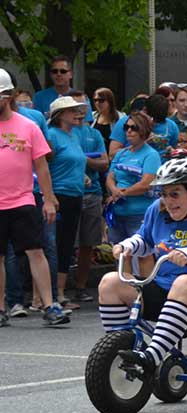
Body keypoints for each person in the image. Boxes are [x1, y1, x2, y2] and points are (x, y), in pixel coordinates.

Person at [100, 158, 187, 376]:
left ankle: (151, 358)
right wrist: (126, 246)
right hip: (165, 289)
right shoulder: (158, 209)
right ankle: (121, 354)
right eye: (163, 194)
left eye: (175, 194)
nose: (168, 201)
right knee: (110, 282)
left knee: (185, 282)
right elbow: (145, 240)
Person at [0, 69, 69, 327]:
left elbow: (41, 166)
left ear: (7, 97)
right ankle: (1, 308)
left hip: (22, 200)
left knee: (36, 251)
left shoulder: (28, 126)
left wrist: (49, 200)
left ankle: (50, 305)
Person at [45, 96, 90, 308]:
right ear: (60, 114)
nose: (77, 113)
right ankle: (51, 295)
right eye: (72, 110)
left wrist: (82, 176)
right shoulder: (51, 135)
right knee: (54, 245)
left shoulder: (73, 135)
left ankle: (61, 294)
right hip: (58, 195)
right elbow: (44, 164)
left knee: (66, 244)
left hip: (75, 194)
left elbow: (73, 162)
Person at [106, 111, 160, 272]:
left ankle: (146, 291)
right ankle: (125, 290)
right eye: (126, 127)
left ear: (143, 130)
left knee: (143, 253)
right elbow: (110, 176)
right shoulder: (121, 153)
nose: (128, 131)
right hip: (118, 212)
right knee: (121, 254)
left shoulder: (151, 155)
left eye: (134, 128)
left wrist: (123, 192)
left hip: (139, 213)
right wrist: (114, 190)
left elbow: (146, 183)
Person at [71, 90, 110, 304]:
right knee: (65, 242)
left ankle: (81, 286)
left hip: (92, 192)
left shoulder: (94, 134)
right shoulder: (61, 132)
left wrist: (80, 159)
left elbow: (104, 163)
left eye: (82, 105)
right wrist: (85, 159)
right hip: (68, 192)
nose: (79, 109)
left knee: (88, 243)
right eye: (75, 105)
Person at [108, 94, 179, 161]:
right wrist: (141, 144)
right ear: (145, 110)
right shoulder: (127, 122)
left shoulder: (171, 125)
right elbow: (112, 154)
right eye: (152, 118)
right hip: (133, 165)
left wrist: (172, 153)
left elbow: (176, 150)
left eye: (159, 121)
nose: (154, 123)